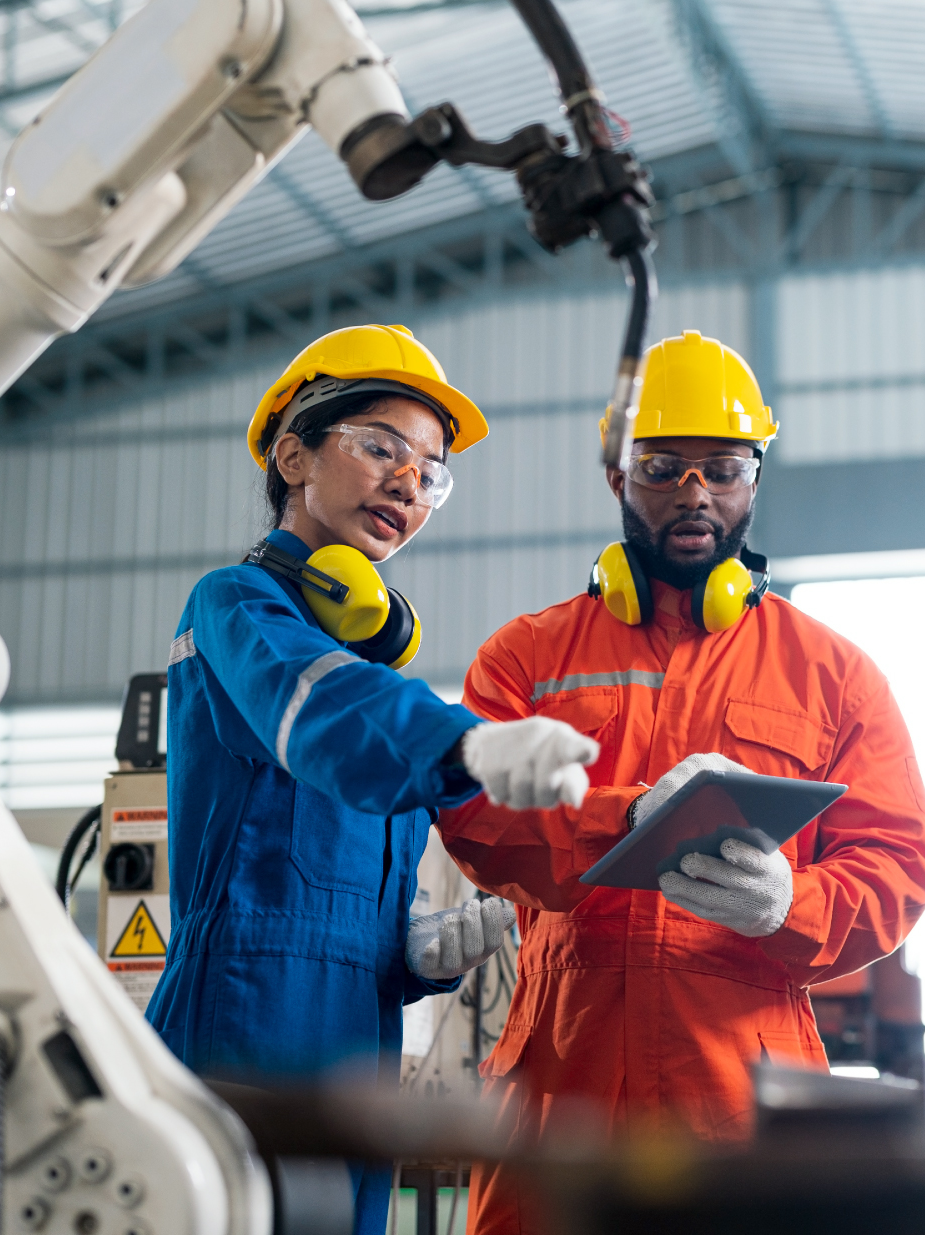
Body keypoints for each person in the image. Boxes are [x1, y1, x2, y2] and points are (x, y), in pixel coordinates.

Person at [437, 330, 925, 1234]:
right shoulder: (526, 657)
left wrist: (791, 901)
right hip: (564, 1084)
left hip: (742, 1100)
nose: (694, 493)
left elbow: (898, 863)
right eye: (662, 468)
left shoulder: (833, 673)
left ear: (755, 480)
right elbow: (474, 815)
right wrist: (621, 819)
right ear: (616, 478)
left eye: (721, 468)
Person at [145, 324, 598, 1235]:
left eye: (429, 472)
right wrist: (470, 744)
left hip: (358, 1033)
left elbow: (352, 878)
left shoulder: (382, 684)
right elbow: (316, 718)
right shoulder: (236, 608)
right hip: (241, 1022)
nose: (407, 483)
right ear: (293, 453)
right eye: (381, 448)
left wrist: (408, 956)